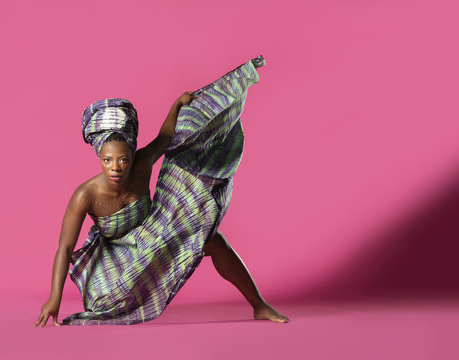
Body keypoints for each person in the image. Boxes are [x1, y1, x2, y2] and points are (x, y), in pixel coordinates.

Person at [34, 55, 289, 327]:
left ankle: (259, 305)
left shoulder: (142, 165)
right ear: (99, 159)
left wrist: (177, 105)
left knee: (212, 240)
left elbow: (165, 139)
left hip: (152, 231)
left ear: (132, 156)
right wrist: (54, 298)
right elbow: (65, 247)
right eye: (107, 160)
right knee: (107, 301)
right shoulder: (85, 195)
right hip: (117, 257)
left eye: (123, 159)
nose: (116, 167)